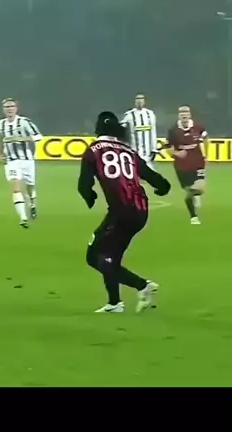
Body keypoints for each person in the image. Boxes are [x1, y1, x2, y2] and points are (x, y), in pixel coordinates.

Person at [78, 110, 171, 313]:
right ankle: (115, 303)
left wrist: (89, 196)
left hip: (121, 212)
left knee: (94, 256)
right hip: (141, 211)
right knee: (111, 256)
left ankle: (143, 286)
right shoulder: (128, 151)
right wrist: (162, 188)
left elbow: (83, 184)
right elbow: (156, 179)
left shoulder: (93, 150)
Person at [0, 98, 43, 227]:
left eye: (11, 106)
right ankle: (23, 218)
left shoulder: (24, 122)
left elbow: (38, 137)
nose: (9, 109)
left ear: (16, 108)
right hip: (11, 161)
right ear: (3, 110)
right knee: (16, 188)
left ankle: (32, 204)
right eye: (6, 107)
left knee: (30, 186)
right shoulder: (0, 124)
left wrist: (21, 138)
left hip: (27, 160)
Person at [165, 105, 208, 225]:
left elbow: (206, 139)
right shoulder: (173, 130)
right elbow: (167, 148)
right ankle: (193, 216)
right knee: (189, 190)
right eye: (182, 114)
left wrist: (206, 154)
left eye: (186, 114)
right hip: (182, 165)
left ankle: (195, 195)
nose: (184, 116)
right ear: (179, 116)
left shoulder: (198, 127)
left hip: (198, 161)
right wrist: (177, 153)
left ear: (189, 115)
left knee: (199, 187)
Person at [121, 93, 158, 169]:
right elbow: (122, 129)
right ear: (135, 101)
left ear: (144, 101)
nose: (139, 101)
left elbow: (153, 132)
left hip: (148, 154)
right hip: (134, 152)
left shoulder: (150, 114)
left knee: (150, 173)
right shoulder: (129, 115)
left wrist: (154, 148)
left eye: (141, 99)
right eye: (137, 99)